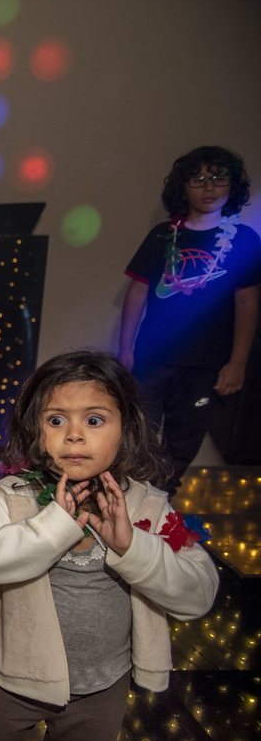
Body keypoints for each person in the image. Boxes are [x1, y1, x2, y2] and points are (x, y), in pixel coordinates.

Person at [0, 350, 219, 741]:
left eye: (94, 420)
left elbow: (198, 595)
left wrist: (132, 547)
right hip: (16, 682)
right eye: (56, 420)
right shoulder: (14, 497)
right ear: (35, 430)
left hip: (103, 691)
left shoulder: (150, 508)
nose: (74, 434)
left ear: (126, 429)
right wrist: (52, 527)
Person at [119, 145, 259, 496]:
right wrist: (125, 349)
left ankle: (162, 500)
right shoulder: (162, 235)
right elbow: (136, 293)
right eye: (198, 179)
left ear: (232, 185)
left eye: (218, 178)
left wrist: (238, 363)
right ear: (183, 187)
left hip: (206, 364)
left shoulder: (243, 240)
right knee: (136, 431)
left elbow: (247, 302)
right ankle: (129, 496)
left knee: (184, 437)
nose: (208, 186)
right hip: (152, 356)